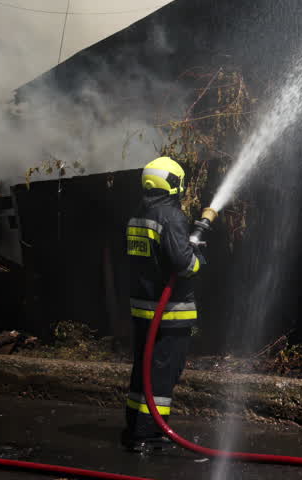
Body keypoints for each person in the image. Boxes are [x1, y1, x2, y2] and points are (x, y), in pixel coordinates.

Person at [121, 156, 205, 452]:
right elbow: (183, 266)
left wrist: (183, 245)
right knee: (161, 374)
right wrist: (197, 258)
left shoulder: (138, 215)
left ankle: (134, 427)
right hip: (169, 314)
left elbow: (156, 258)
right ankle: (149, 435)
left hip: (144, 310)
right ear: (172, 183)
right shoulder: (170, 216)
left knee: (142, 370)